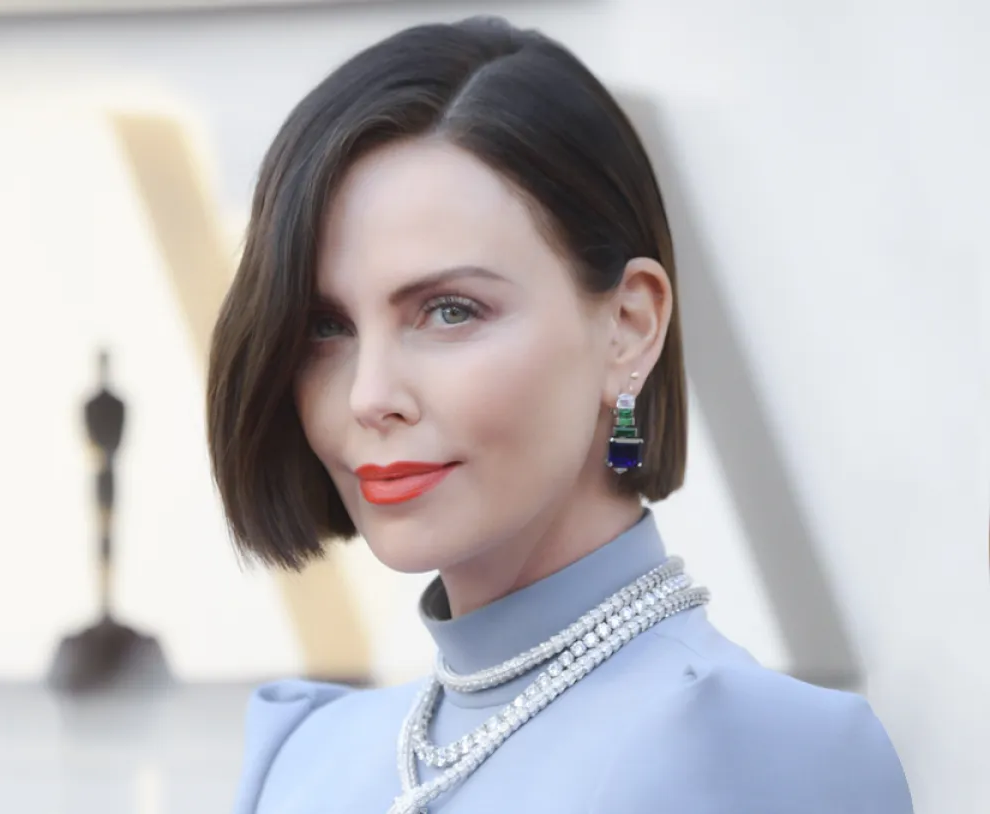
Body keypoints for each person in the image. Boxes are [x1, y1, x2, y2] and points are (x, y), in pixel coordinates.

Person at [206, 16, 912, 814]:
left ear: (628, 327)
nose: (370, 395)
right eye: (325, 327)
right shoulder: (307, 759)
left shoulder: (762, 753)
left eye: (449, 311)